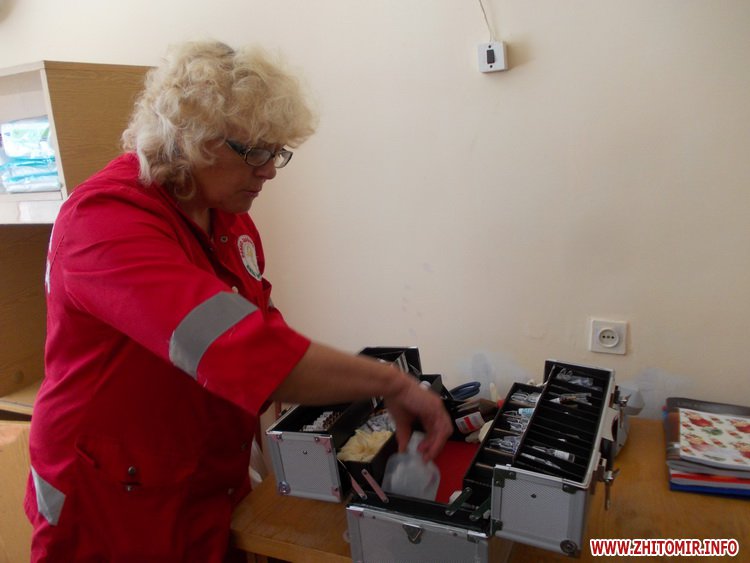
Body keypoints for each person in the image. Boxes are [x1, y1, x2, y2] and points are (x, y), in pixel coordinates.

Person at [25, 40, 452, 562]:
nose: (269, 169)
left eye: (277, 151)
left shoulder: (226, 216)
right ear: (189, 140)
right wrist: (390, 382)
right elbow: (234, 347)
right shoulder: (103, 220)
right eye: (254, 152)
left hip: (199, 477)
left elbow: (260, 321)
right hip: (110, 502)